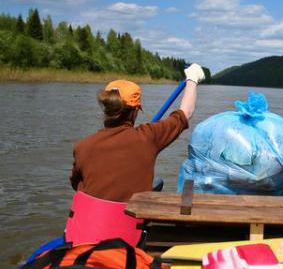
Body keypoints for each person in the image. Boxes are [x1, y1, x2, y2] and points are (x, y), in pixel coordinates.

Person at [70, 63, 206, 202]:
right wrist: (192, 78)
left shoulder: (82, 147)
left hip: (89, 221)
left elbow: (77, 184)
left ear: (106, 108)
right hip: (131, 222)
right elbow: (185, 112)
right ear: (135, 112)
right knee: (156, 183)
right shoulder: (148, 137)